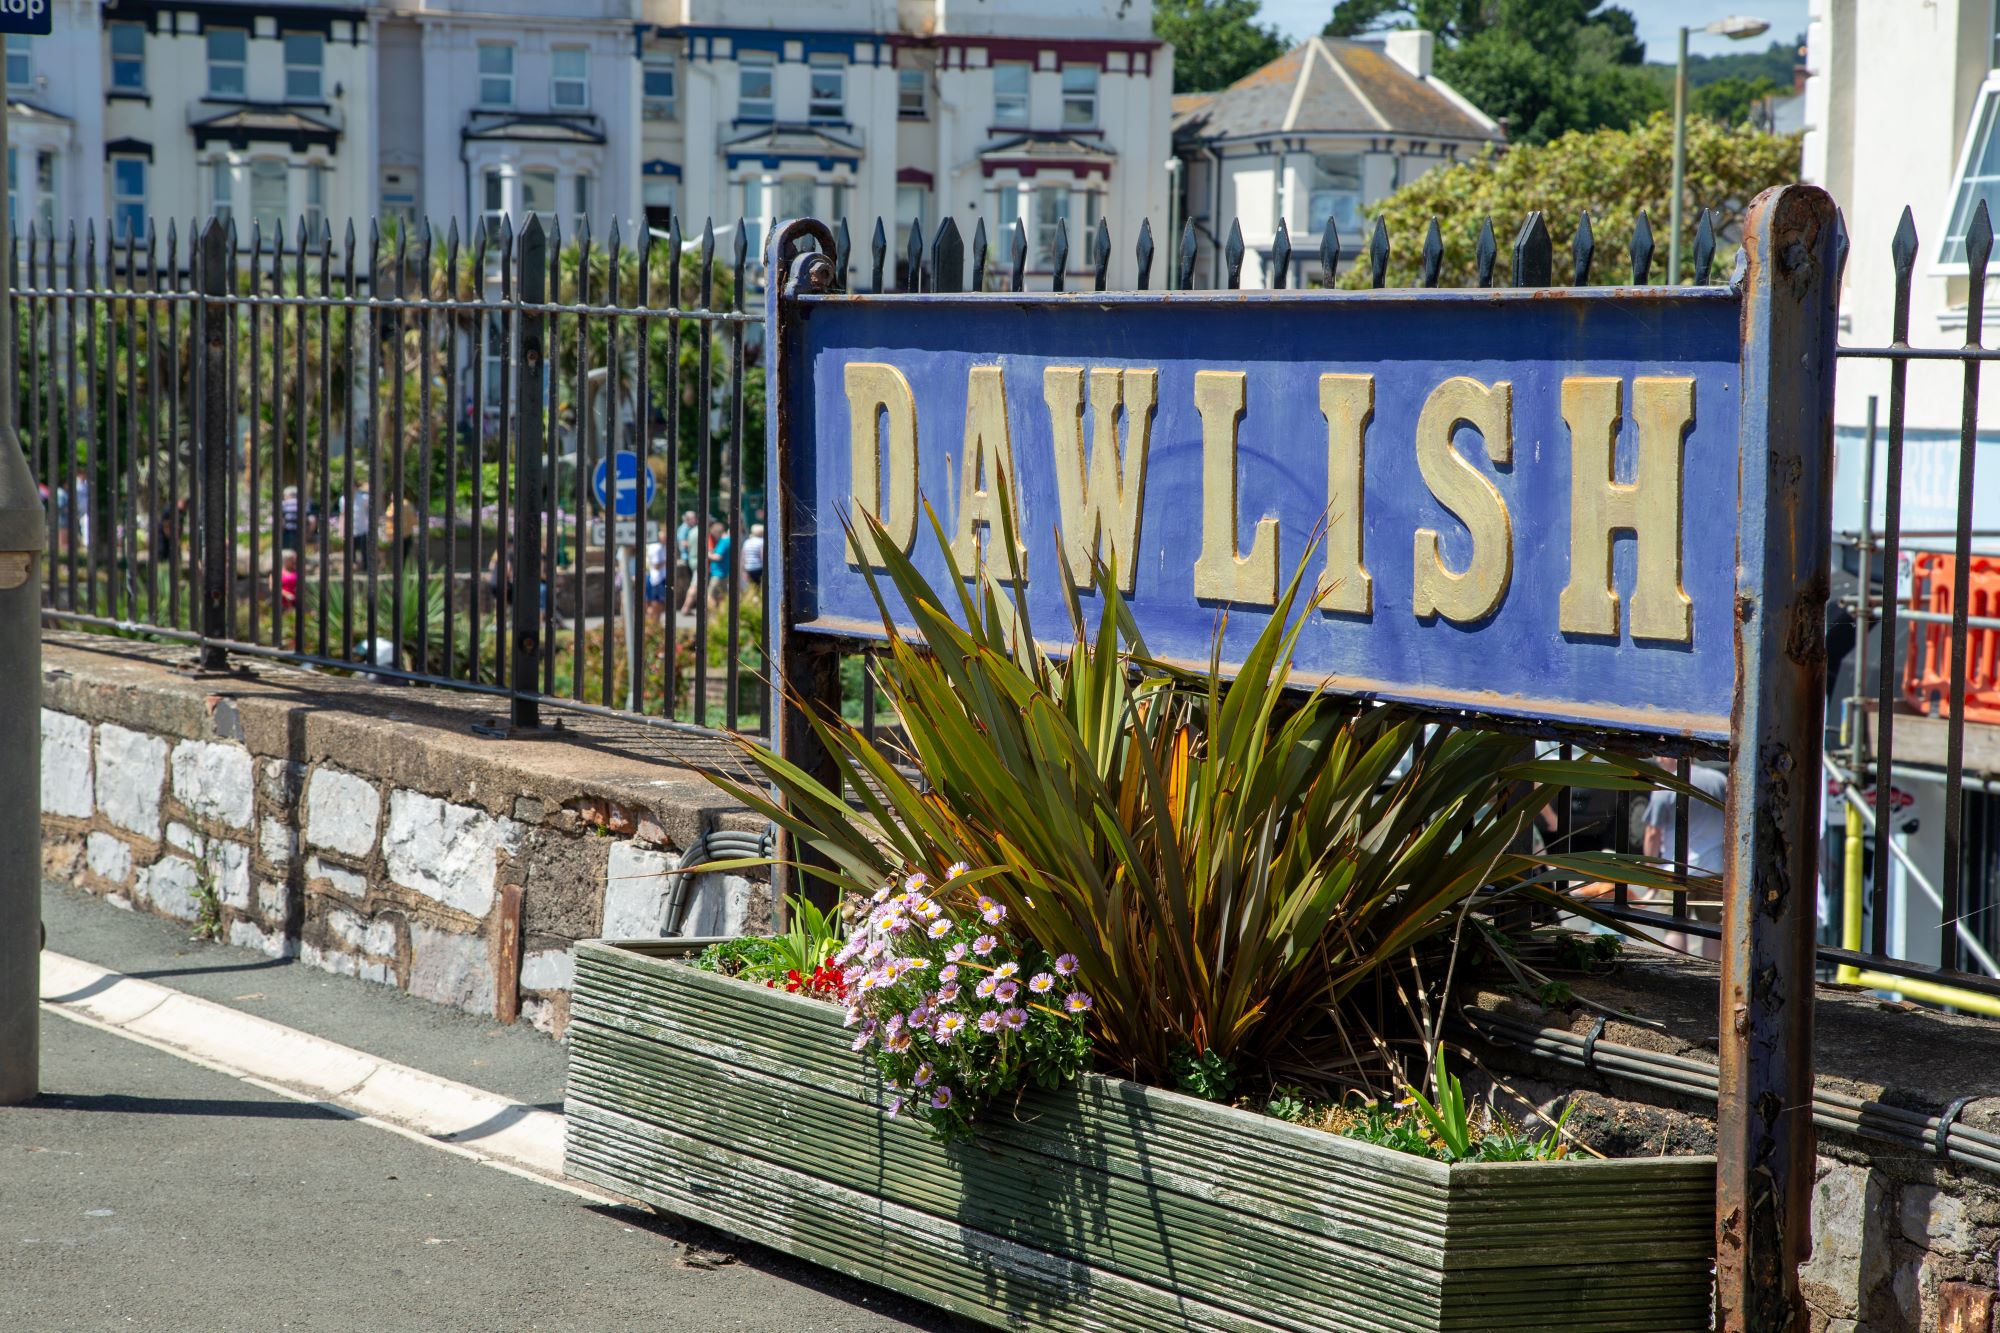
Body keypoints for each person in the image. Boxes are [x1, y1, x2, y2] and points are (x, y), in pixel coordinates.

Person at [1644, 758, 1729, 961]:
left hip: (1676, 869)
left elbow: (1652, 833)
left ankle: (1674, 974)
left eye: (1660, 754)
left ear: (1669, 757)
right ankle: (1712, 977)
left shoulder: (1665, 786)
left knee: (1675, 928)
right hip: (1714, 869)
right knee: (1712, 929)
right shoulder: (1718, 779)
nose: (1656, 759)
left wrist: (1649, 872)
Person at [706, 519, 734, 611]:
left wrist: (708, 554)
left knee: (710, 596)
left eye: (713, 534)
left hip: (718, 574)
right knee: (722, 597)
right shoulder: (728, 540)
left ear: (717, 532)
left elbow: (718, 557)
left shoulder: (724, 541)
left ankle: (714, 617)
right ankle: (721, 616)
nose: (714, 536)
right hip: (723, 573)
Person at [344, 482, 372, 572]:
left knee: (364, 550)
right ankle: (351, 569)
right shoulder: (343, 500)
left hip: (362, 529)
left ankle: (366, 569)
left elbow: (369, 511)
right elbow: (342, 515)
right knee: (351, 552)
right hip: (350, 530)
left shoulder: (363, 498)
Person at [644, 538, 670, 623]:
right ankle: (653, 623)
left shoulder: (653, 546)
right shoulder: (657, 547)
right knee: (656, 604)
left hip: (654, 577)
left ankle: (653, 624)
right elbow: (656, 565)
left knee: (654, 603)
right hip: (657, 579)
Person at [743, 522, 766, 593]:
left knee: (752, 587)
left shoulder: (747, 542)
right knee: (759, 586)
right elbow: (762, 555)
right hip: (759, 567)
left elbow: (744, 555)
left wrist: (744, 568)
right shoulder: (762, 541)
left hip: (748, 567)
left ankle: (753, 600)